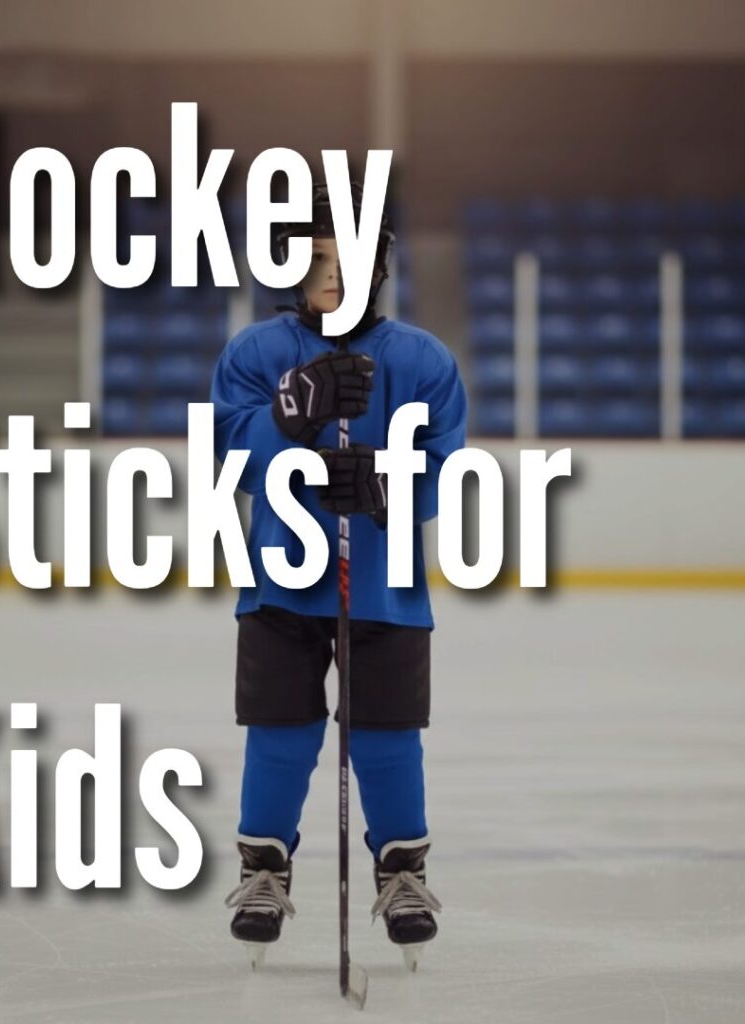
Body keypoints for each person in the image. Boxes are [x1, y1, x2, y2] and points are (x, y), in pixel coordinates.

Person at [211, 184, 467, 962]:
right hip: (280, 584)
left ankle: (402, 871)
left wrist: (385, 484)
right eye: (314, 256)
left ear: (378, 265)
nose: (331, 272)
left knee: (387, 737)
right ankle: (264, 868)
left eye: (347, 256)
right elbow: (230, 452)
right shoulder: (255, 353)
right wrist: (289, 414)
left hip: (384, 587)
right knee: (279, 733)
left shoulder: (423, 360)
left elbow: (444, 468)